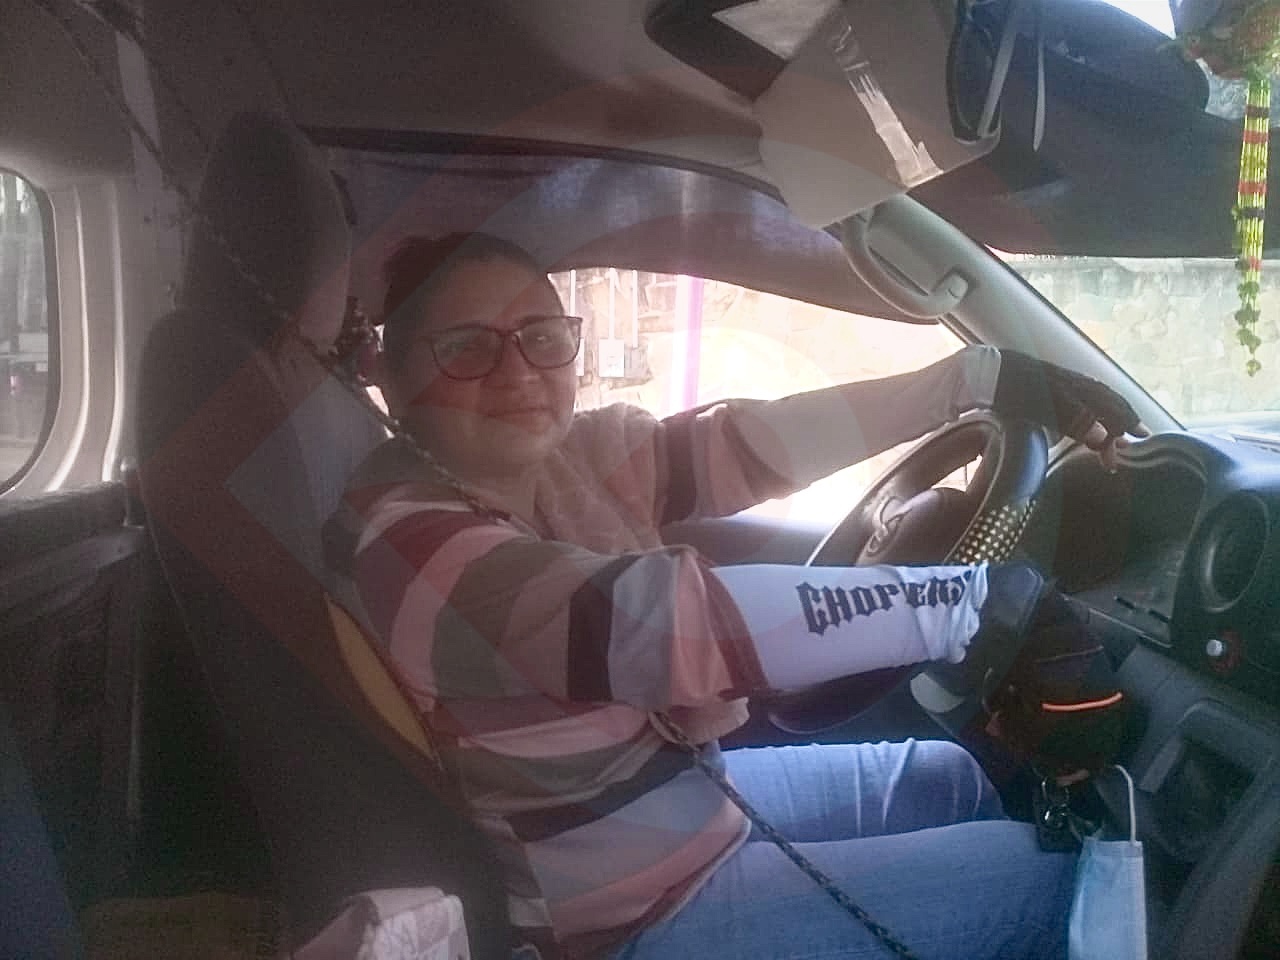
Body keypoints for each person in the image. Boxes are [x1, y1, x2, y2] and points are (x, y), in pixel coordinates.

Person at [329, 232, 1146, 960]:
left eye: (542, 338)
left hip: (673, 807)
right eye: (467, 348)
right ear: (389, 378)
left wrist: (971, 379)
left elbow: (742, 446)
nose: (518, 373)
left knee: (946, 776)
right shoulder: (413, 547)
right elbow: (667, 624)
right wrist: (972, 603)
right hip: (620, 922)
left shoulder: (556, 467)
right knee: (1065, 886)